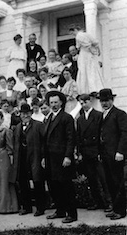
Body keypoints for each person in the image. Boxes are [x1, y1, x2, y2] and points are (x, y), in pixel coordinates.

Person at [43, 91, 77, 223]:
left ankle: (72, 214)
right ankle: (60, 210)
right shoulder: (49, 118)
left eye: (56, 102)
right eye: (51, 103)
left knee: (66, 186)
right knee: (54, 186)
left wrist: (68, 156)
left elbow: (71, 139)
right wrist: (44, 158)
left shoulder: (66, 118)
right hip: (51, 159)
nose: (54, 105)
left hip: (62, 159)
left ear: (61, 102)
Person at [76, 94, 112, 212]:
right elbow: (79, 137)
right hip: (86, 152)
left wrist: (100, 151)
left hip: (96, 151)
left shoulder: (98, 115)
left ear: (90, 101)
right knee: (92, 179)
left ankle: (109, 203)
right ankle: (98, 202)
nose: (83, 105)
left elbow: (101, 134)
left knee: (103, 179)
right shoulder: (80, 119)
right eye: (81, 103)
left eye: (85, 102)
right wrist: (79, 152)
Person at [98, 88, 127, 220]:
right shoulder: (102, 115)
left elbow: (124, 134)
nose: (104, 103)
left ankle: (121, 211)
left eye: (107, 100)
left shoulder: (119, 114)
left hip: (116, 154)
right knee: (109, 182)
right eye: (102, 101)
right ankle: (115, 208)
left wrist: (120, 151)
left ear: (112, 100)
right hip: (105, 155)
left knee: (118, 182)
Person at [13, 104, 46, 216]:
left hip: (35, 157)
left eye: (27, 113)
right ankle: (26, 207)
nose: (25, 115)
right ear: (20, 115)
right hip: (21, 158)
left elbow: (44, 143)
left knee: (38, 182)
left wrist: (43, 157)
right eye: (23, 113)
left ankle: (40, 208)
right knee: (23, 182)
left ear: (31, 113)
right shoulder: (17, 127)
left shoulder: (38, 125)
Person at [0, 110, 18, 213]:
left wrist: (10, 159)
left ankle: (7, 207)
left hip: (3, 156)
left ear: (2, 119)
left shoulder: (6, 131)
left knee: (4, 181)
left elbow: (10, 147)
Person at [69, 25, 104, 94]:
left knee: (85, 70)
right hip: (90, 55)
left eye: (72, 33)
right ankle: (94, 87)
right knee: (91, 69)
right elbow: (95, 42)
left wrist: (91, 50)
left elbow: (85, 45)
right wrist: (97, 51)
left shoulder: (78, 36)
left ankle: (87, 89)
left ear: (75, 30)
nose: (73, 34)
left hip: (84, 54)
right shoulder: (87, 34)